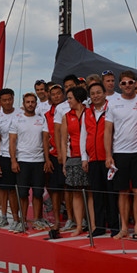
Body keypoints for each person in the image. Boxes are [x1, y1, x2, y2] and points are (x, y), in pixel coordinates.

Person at [105, 70, 137, 239]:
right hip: (120, 153)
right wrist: (108, 155)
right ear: (119, 85)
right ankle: (124, 227)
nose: (127, 86)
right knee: (122, 191)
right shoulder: (113, 103)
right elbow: (108, 131)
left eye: (130, 82)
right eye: (123, 83)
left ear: (135, 84)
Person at [80, 82, 118, 237]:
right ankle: (100, 226)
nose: (96, 96)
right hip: (93, 159)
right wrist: (84, 157)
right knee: (96, 194)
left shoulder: (112, 109)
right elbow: (84, 135)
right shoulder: (87, 112)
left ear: (104, 93)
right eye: (93, 93)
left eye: (98, 92)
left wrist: (113, 155)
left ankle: (115, 226)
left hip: (108, 159)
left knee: (111, 193)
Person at [9, 93, 47, 233]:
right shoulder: (17, 120)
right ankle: (23, 221)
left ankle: (37, 220)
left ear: (36, 104)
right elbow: (12, 142)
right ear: (24, 104)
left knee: (38, 193)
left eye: (32, 102)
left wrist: (46, 160)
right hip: (23, 161)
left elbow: (45, 140)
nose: (30, 104)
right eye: (28, 102)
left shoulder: (41, 119)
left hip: (39, 161)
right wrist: (14, 160)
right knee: (23, 193)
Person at [60, 86, 90, 237]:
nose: (68, 101)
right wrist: (64, 161)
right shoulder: (66, 116)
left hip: (90, 156)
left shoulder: (90, 112)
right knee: (77, 193)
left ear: (78, 98)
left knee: (91, 192)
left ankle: (93, 225)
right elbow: (64, 139)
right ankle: (79, 225)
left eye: (70, 98)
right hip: (73, 157)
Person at [0, 88, 20, 229]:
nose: (8, 102)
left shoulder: (21, 113)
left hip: (22, 156)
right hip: (5, 156)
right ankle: (7, 217)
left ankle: (19, 218)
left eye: (10, 99)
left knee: (17, 190)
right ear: (0, 102)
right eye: (5, 100)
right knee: (5, 189)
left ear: (13, 99)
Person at [54, 75, 78, 231]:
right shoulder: (61, 108)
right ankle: (71, 218)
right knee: (69, 188)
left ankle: (86, 219)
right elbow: (57, 133)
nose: (69, 88)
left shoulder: (86, 103)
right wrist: (60, 153)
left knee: (86, 189)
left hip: (85, 154)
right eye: (66, 86)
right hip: (68, 154)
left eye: (71, 85)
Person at [43, 84, 67, 237]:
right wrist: (47, 159)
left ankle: (73, 218)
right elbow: (45, 138)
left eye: (59, 93)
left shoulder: (69, 109)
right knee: (55, 190)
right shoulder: (46, 115)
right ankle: (57, 220)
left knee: (70, 189)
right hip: (54, 155)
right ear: (49, 97)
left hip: (70, 154)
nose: (57, 96)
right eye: (54, 94)